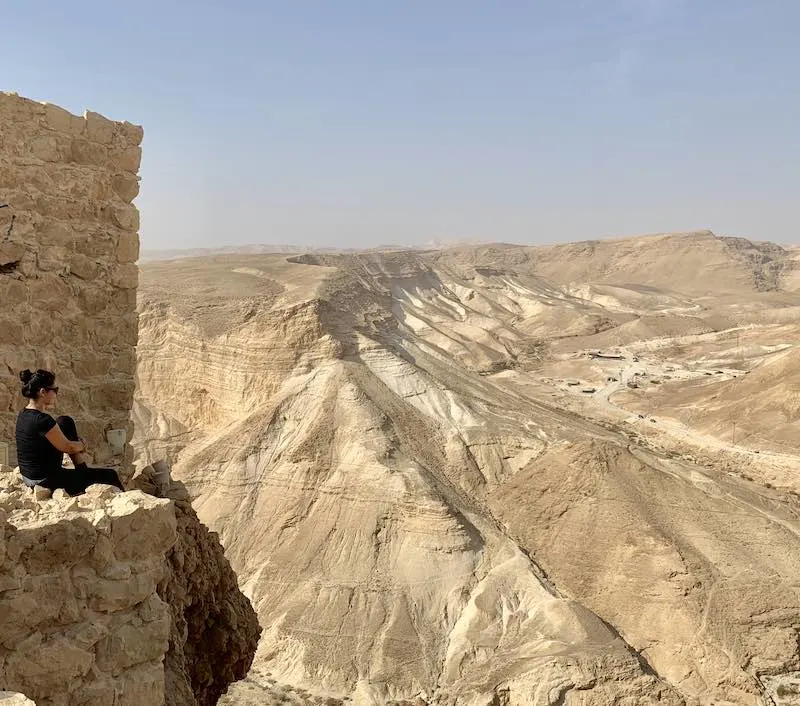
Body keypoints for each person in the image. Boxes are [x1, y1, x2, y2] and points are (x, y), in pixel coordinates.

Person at [15, 368, 124, 498]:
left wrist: (75, 445)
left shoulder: (24, 414)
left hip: (31, 476)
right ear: (43, 392)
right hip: (44, 481)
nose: (56, 394)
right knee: (110, 475)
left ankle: (82, 470)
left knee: (64, 421)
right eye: (55, 390)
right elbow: (68, 447)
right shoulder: (42, 420)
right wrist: (82, 445)